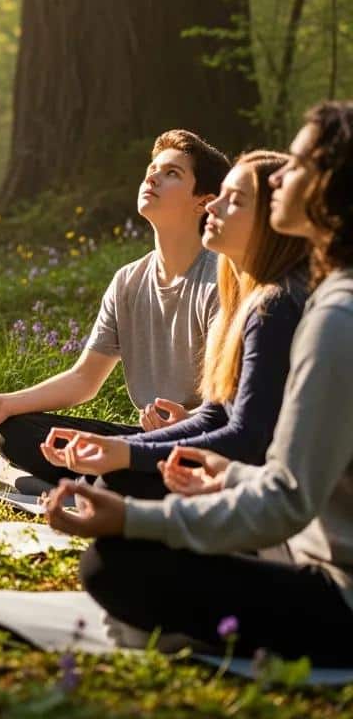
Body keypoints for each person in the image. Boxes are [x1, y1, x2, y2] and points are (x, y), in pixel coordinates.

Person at [47, 102, 353, 665]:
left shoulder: (328, 314)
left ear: (332, 186)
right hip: (299, 551)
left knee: (112, 562)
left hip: (334, 590)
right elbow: (282, 463)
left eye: (300, 162)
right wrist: (224, 472)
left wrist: (133, 515)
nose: (281, 173)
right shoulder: (320, 301)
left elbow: (286, 495)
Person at [0, 130, 229, 484]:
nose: (151, 177)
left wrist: (186, 418)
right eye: (152, 168)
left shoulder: (221, 280)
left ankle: (107, 478)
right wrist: (8, 402)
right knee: (15, 432)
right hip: (144, 441)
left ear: (202, 203)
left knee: (125, 471)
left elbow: (229, 405)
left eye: (171, 173)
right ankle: (108, 476)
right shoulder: (128, 281)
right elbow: (85, 379)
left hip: (200, 444)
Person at [39, 151, 307, 499]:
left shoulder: (276, 307)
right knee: (32, 440)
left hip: (271, 488)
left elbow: (246, 438)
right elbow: (214, 416)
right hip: (227, 460)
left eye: (235, 201)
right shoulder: (237, 296)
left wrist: (126, 453)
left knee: (115, 482)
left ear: (271, 221)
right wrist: (117, 447)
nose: (214, 207)